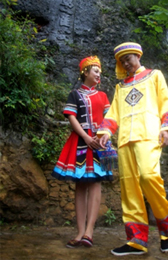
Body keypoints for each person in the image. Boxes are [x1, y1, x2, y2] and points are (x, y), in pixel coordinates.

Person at [97, 43, 168, 256]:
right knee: (129, 189)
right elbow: (113, 113)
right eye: (122, 61)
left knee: (148, 177)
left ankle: (166, 232)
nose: (125, 63)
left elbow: (165, 102)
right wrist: (106, 131)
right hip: (125, 141)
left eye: (128, 58)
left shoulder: (154, 76)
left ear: (138, 56)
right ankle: (136, 240)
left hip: (149, 135)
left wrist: (166, 129)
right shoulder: (120, 87)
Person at [52, 56, 114, 248]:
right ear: (85, 72)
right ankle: (80, 232)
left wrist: (104, 136)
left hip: (100, 142)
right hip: (80, 141)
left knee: (96, 182)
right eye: (95, 71)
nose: (98, 75)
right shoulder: (74, 95)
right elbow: (71, 117)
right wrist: (86, 137)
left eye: (100, 72)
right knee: (80, 184)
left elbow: (109, 119)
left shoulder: (103, 96)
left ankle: (89, 232)